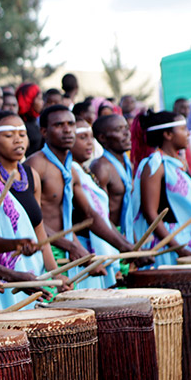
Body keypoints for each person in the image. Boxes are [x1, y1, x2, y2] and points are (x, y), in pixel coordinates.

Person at [25, 105, 125, 279]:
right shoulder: (36, 166)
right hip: (43, 250)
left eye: (71, 124)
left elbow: (88, 215)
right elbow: (31, 219)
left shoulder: (70, 170)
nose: (67, 130)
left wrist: (124, 246)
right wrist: (72, 247)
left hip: (67, 248)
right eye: (59, 125)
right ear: (44, 132)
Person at [0, 111, 69, 308]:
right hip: (1, 279)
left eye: (22, 135)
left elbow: (40, 233)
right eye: (9, 135)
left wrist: (56, 274)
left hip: (34, 273)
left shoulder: (31, 176)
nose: (17, 140)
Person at [132, 110, 191, 266]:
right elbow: (151, 213)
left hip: (186, 238)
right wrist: (177, 247)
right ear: (168, 134)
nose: (188, 134)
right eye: (183, 129)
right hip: (170, 242)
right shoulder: (155, 165)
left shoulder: (176, 163)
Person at [70, 122, 121, 287]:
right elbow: (89, 215)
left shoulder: (83, 170)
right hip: (82, 250)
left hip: (97, 250)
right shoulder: (70, 171)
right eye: (82, 137)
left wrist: (125, 246)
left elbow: (102, 217)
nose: (89, 143)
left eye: (90, 137)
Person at [91, 114, 135, 241]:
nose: (126, 133)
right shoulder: (101, 167)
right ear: (102, 138)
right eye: (118, 130)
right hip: (108, 237)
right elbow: (100, 214)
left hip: (125, 234)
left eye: (126, 128)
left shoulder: (128, 165)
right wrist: (124, 245)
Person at [16, 83, 43, 156]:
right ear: (29, 99)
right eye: (39, 99)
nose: (42, 102)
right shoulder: (20, 123)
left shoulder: (35, 120)